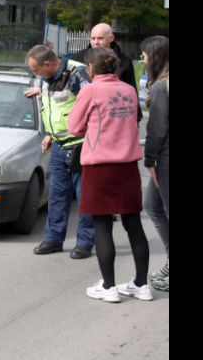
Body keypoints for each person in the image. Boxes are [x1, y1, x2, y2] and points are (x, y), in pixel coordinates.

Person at [69, 48, 152, 303]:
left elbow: (73, 127)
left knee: (102, 225)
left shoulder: (90, 90)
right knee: (133, 224)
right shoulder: (128, 90)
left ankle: (109, 287)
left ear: (90, 69)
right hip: (128, 166)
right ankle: (141, 284)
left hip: (99, 166)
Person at [25, 46, 95, 259]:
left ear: (47, 65)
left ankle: (84, 243)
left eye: (36, 70)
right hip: (57, 145)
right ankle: (54, 240)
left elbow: (93, 107)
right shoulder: (44, 79)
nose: (34, 75)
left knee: (84, 198)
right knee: (57, 196)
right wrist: (49, 134)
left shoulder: (77, 73)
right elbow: (53, 109)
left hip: (79, 145)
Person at [142, 36, 170, 293]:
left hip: (165, 158)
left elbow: (157, 128)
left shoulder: (162, 86)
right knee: (152, 205)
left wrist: (149, 159)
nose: (143, 59)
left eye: (145, 55)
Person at [72, 24, 139, 117]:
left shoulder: (124, 61)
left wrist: (137, 118)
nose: (96, 42)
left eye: (100, 38)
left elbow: (131, 89)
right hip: (85, 113)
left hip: (115, 114)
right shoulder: (79, 57)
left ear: (111, 38)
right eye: (93, 38)